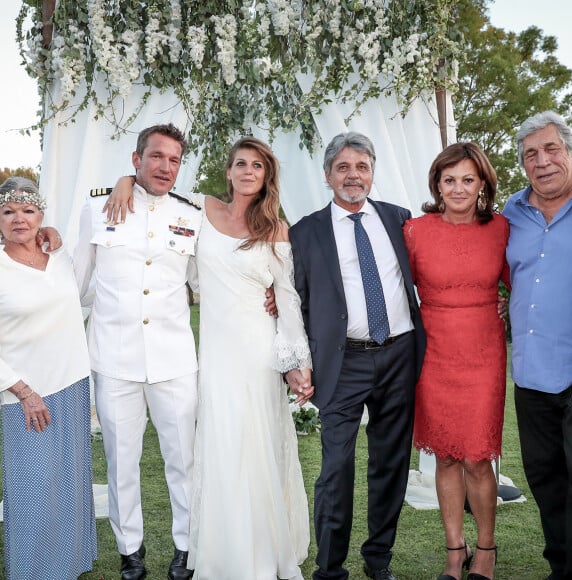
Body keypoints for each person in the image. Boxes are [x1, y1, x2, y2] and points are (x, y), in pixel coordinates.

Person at [289, 132, 426, 580]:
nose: (353, 175)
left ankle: (378, 559)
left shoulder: (400, 219)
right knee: (335, 467)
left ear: (372, 172)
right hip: (343, 362)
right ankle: (330, 568)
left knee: (390, 463)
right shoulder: (305, 232)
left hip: (400, 355)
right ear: (328, 175)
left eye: (362, 167)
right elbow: (294, 298)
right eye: (343, 167)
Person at [74, 124, 202, 580]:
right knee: (121, 461)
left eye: (174, 160)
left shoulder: (191, 216)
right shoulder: (98, 207)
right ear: (136, 160)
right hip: (114, 359)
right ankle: (131, 551)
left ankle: (186, 548)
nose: (165, 167)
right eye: (156, 157)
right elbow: (77, 283)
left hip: (173, 361)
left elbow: (204, 284)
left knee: (183, 459)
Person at [185, 136, 313, 579]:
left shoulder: (275, 229)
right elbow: (154, 196)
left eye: (257, 166)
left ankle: (261, 551)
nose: (247, 172)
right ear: (228, 171)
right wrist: (125, 182)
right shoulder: (200, 210)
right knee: (220, 442)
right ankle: (223, 552)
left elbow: (288, 298)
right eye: (240, 164)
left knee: (258, 445)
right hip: (216, 352)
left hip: (258, 352)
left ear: (265, 177)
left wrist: (297, 362)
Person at [403, 143, 510, 580]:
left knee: (476, 459)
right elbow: (389, 286)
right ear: (437, 185)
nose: (459, 188)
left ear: (482, 183)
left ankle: (486, 549)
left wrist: (507, 304)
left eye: (468, 179)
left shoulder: (502, 228)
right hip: (434, 354)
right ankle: (455, 550)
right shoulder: (415, 230)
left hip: (484, 352)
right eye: (450, 180)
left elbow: (523, 277)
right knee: (445, 457)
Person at [0, 177, 96, 579]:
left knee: (70, 485)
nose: (18, 218)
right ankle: (35, 571)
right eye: (8, 211)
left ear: (41, 216)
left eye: (28, 210)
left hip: (72, 384)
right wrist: (24, 392)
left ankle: (70, 564)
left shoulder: (58, 256)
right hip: (25, 395)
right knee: (33, 492)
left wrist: (51, 237)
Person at [503, 110, 572, 580]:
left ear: (571, 153)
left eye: (552, 149)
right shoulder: (511, 213)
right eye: (532, 154)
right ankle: (559, 567)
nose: (543, 161)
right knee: (546, 480)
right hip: (530, 372)